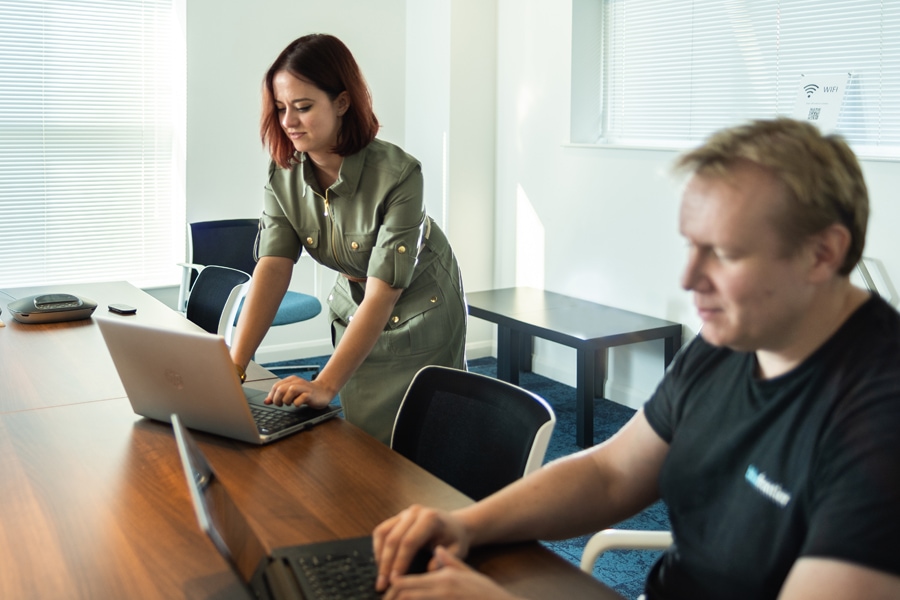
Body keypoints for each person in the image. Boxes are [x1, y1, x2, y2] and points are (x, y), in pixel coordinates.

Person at [371, 118, 900, 599]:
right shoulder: (733, 339)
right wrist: (468, 524)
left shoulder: (879, 421)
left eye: (726, 253)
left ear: (823, 253)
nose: (690, 280)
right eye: (692, 246)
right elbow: (611, 472)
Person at [230, 34, 467, 444]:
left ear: (342, 103)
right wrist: (235, 364)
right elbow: (272, 266)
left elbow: (384, 292)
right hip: (356, 300)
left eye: (303, 107)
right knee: (361, 441)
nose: (288, 122)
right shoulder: (283, 174)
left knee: (421, 439)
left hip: (418, 306)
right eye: (282, 108)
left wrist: (323, 383)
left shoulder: (400, 174)